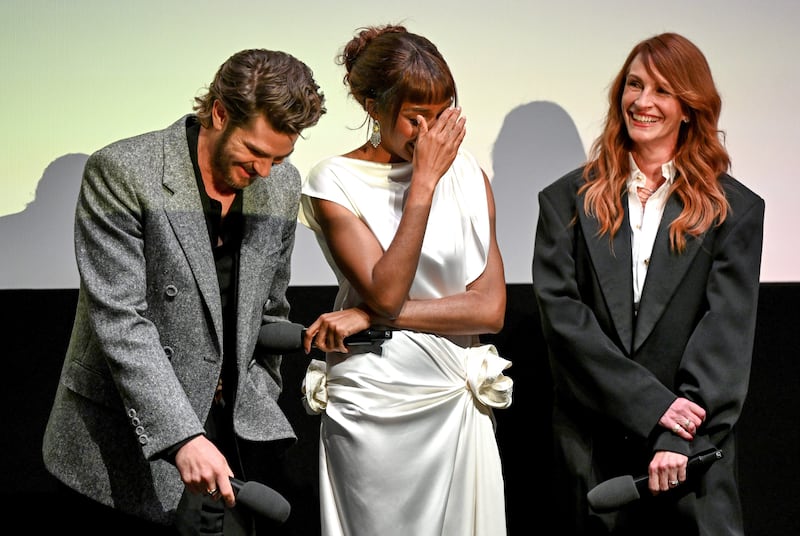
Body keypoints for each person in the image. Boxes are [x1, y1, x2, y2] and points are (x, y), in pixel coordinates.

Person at [41, 49, 325, 535]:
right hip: (126, 437)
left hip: (228, 435)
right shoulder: (125, 171)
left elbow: (268, 309)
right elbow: (121, 322)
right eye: (255, 151)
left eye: (280, 156)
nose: (264, 170)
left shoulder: (280, 184)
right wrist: (181, 436)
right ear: (219, 112)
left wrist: (255, 400)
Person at [532, 32, 765, 535]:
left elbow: (724, 334)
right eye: (634, 85)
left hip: (692, 454)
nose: (643, 101)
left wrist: (677, 436)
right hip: (593, 452)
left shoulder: (735, 211)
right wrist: (656, 409)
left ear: (689, 107)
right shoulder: (565, 202)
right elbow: (566, 325)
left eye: (662, 90)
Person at [296, 24, 513, 536]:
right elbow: (388, 288)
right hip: (375, 404)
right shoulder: (333, 181)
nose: (432, 135)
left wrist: (370, 316)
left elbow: (490, 310)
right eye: (417, 119)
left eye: (442, 117)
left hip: (453, 395)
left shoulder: (469, 175)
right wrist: (423, 184)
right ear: (373, 107)